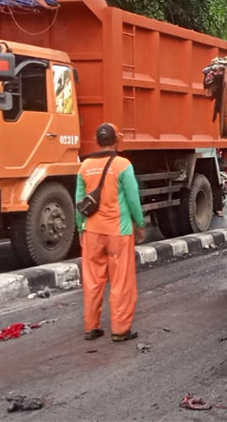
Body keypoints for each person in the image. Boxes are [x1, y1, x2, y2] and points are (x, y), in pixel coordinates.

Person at [76, 122, 145, 342]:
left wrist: (80, 227)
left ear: (97, 141)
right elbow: (133, 198)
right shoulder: (123, 165)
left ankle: (91, 327)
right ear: (116, 140)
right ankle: (120, 329)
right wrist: (139, 223)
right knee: (121, 281)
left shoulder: (84, 166)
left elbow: (79, 201)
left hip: (92, 231)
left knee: (93, 280)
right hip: (118, 230)